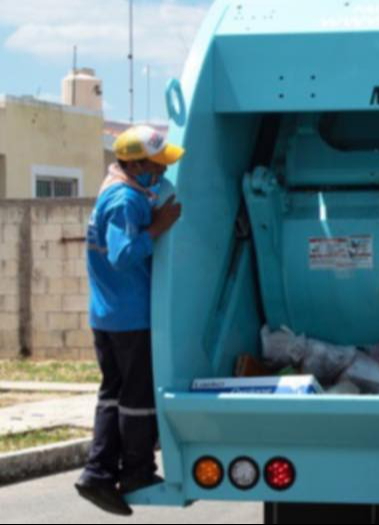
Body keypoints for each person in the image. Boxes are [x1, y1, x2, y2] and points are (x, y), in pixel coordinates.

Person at [74, 125, 184, 516]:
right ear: (135, 165)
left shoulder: (113, 189)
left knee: (112, 396)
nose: (162, 172)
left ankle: (98, 473)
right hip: (130, 318)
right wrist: (158, 227)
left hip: (108, 315)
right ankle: (135, 471)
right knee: (137, 399)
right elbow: (122, 255)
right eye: (156, 165)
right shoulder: (126, 199)